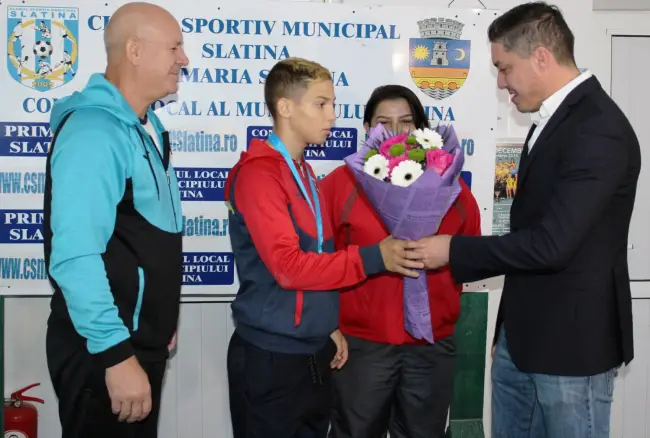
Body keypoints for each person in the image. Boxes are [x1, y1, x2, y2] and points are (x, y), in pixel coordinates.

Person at [412, 3, 641, 437]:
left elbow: (552, 245)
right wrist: (507, 332)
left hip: (572, 353)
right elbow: (529, 236)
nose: (500, 82)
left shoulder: (598, 128)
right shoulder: (551, 122)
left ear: (540, 57)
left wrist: (452, 249)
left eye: (504, 68)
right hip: (524, 343)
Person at [224, 59, 425, 438]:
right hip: (271, 357)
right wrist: (374, 257)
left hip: (310, 351)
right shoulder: (259, 174)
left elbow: (317, 254)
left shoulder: (303, 171)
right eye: (321, 104)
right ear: (285, 107)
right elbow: (289, 267)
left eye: (332, 103)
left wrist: (325, 324)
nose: (333, 115)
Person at [43, 3, 189, 437]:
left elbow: (143, 239)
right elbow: (75, 256)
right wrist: (115, 354)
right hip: (104, 352)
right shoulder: (95, 132)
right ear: (136, 50)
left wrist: (158, 323)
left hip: (133, 343)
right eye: (174, 47)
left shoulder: (144, 127)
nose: (183, 59)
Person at [320, 85, 482, 438]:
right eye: (383, 123)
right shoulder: (339, 185)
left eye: (406, 122)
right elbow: (320, 260)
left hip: (431, 345)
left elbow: (471, 252)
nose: (396, 132)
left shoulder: (451, 187)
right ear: (367, 129)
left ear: (422, 130)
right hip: (362, 345)